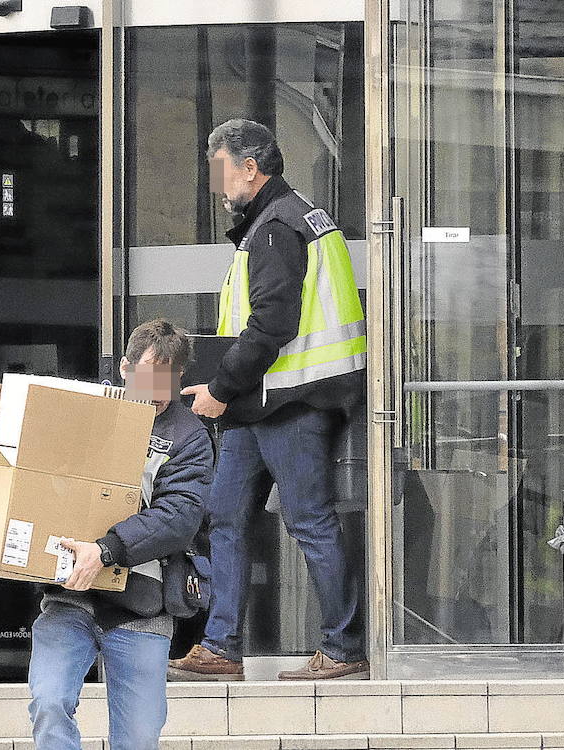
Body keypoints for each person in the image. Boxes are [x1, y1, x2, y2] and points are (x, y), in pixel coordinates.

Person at [171, 118, 368, 681]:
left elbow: (270, 325)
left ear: (250, 169)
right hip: (263, 405)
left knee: (308, 521)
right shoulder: (284, 219)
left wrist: (218, 389)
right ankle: (221, 646)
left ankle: (343, 647)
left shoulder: (278, 228)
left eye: (221, 171)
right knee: (226, 518)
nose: (218, 185)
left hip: (290, 402)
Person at [28, 319, 214, 750]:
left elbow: (179, 516)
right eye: (148, 374)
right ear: (126, 368)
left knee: (139, 739)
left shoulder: (189, 437)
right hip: (69, 596)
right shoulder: (88, 410)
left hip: (142, 605)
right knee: (49, 703)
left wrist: (106, 550)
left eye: (167, 377)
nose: (156, 387)